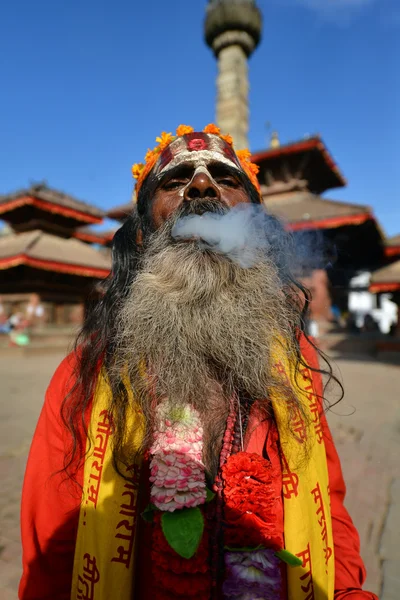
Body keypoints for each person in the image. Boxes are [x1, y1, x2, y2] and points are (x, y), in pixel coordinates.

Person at [19, 124, 377, 600]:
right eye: (176, 180)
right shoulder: (87, 375)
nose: (201, 186)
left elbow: (328, 507)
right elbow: (53, 542)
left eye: (226, 180)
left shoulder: (295, 361)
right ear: (144, 232)